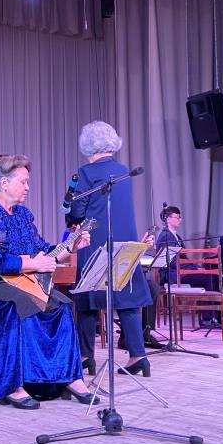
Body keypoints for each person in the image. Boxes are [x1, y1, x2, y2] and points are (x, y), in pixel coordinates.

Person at [0, 154, 94, 410]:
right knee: (14, 305)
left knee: (60, 305)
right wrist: (33, 264)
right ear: (4, 183)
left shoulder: (22, 214)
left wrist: (72, 246)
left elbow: (43, 251)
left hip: (11, 279)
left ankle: (66, 377)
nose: (28, 187)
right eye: (23, 181)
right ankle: (10, 386)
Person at [68, 121, 153, 378]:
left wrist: (70, 217)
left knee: (87, 301)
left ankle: (86, 356)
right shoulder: (123, 170)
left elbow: (77, 210)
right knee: (126, 299)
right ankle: (138, 355)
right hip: (124, 241)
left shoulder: (85, 173)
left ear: (87, 144)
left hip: (96, 242)